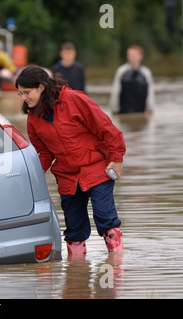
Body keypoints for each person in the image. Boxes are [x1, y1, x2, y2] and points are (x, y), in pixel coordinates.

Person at [15, 65, 126, 256]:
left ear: (41, 87)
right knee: (74, 230)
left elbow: (106, 128)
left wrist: (117, 158)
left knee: (105, 219)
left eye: (27, 92)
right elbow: (44, 154)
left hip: (97, 168)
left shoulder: (74, 99)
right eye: (20, 93)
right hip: (67, 177)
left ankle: (116, 272)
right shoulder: (33, 120)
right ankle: (76, 279)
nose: (23, 98)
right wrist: (30, 174)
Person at [109, 45, 155, 114]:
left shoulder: (146, 73)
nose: (131, 57)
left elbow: (150, 93)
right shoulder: (121, 71)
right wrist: (114, 110)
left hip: (141, 112)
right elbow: (116, 91)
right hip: (124, 111)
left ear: (140, 56)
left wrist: (149, 109)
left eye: (133, 55)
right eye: (129, 55)